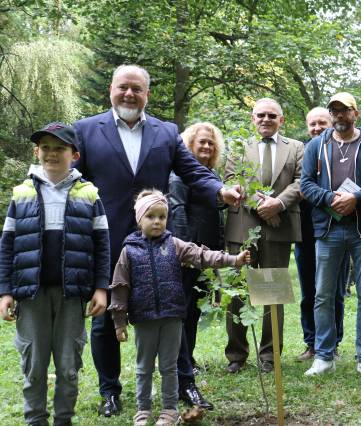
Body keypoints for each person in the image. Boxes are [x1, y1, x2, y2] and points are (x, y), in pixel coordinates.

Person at [73, 64, 241, 416]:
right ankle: (110, 391)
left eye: (137, 88)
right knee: (105, 317)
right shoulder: (86, 130)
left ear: (147, 94)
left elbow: (193, 171)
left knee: (170, 314)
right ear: (111, 89)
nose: (129, 94)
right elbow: (73, 183)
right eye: (123, 87)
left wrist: (220, 189)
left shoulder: (167, 133)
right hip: (107, 240)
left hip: (159, 243)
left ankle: (185, 385)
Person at [108, 190, 250, 426]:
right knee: (143, 368)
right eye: (151, 216)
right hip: (144, 320)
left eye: (162, 216)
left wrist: (233, 259)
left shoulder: (175, 244)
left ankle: (169, 410)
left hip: (172, 317)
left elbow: (202, 256)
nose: (157, 221)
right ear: (139, 219)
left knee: (169, 366)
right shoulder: (128, 251)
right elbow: (120, 287)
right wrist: (119, 322)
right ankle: (143, 410)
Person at [0, 123, 110, 425]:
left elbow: (102, 245)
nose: (51, 153)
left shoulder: (88, 194)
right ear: (37, 152)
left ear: (73, 155)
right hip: (30, 294)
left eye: (59, 148)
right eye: (45, 147)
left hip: (72, 294)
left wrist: (101, 288)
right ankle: (35, 419)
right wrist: (5, 291)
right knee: (33, 363)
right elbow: (7, 245)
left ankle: (63, 419)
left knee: (68, 364)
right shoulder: (21, 193)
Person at [300, 92, 361, 378]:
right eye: (334, 111)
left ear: (356, 113)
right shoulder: (316, 146)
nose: (339, 116)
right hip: (328, 229)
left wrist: (358, 198)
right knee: (323, 294)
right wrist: (330, 198)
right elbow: (305, 184)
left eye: (344, 110)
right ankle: (324, 356)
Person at [224, 98, 304, 374]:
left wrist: (278, 204)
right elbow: (231, 180)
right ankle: (236, 354)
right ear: (253, 118)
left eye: (272, 115)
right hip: (242, 226)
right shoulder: (239, 147)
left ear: (281, 120)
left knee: (272, 290)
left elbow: (301, 181)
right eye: (261, 115)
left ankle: (269, 356)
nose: (266, 119)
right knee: (237, 290)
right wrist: (261, 206)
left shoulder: (296, 147)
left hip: (279, 226)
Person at [168, 122, 226, 410]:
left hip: (206, 255)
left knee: (193, 311)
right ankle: (180, 368)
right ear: (189, 144)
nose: (206, 147)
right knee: (182, 311)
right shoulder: (180, 175)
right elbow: (176, 212)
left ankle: (188, 360)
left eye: (210, 144)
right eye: (201, 142)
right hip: (187, 254)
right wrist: (186, 252)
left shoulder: (210, 176)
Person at [295, 107, 349, 361]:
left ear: (332, 123)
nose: (317, 127)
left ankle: (333, 342)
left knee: (334, 291)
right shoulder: (304, 152)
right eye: (312, 123)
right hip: (306, 232)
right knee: (309, 291)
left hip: (336, 229)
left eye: (322, 123)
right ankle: (312, 342)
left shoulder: (343, 151)